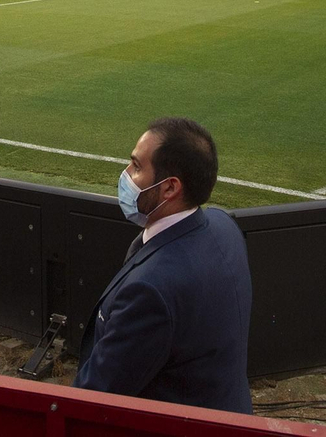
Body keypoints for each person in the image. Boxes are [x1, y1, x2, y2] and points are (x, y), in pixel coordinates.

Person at [74, 117, 252, 413]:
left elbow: (95, 397)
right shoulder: (224, 226)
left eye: (136, 166)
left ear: (170, 188)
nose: (126, 175)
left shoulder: (149, 291)